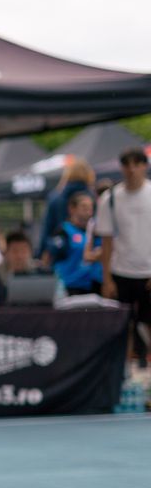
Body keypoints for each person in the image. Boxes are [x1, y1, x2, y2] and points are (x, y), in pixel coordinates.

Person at [97, 147, 151, 367]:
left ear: (144, 166)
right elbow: (106, 242)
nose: (132, 170)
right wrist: (107, 278)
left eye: (136, 164)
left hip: (148, 270)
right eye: (127, 165)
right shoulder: (110, 199)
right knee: (123, 325)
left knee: (148, 325)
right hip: (121, 271)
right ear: (122, 168)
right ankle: (125, 372)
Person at [47, 192, 103, 295]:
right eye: (84, 207)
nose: (88, 212)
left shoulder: (95, 232)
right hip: (71, 287)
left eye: (91, 207)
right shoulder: (63, 231)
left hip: (92, 286)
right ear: (72, 209)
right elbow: (53, 256)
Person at [38, 160, 94, 262]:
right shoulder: (92, 197)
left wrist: (41, 252)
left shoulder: (55, 197)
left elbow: (47, 228)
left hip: (61, 252)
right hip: (87, 252)